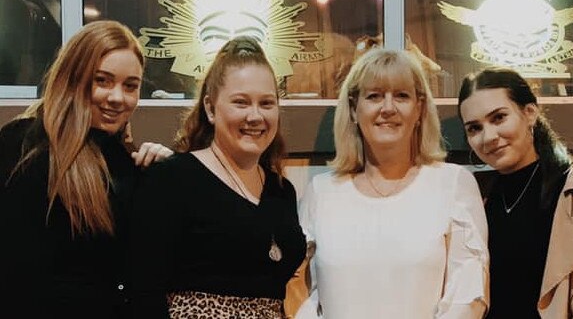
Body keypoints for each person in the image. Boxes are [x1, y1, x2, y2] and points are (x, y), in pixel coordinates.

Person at [296, 48, 489, 318]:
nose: (388, 108)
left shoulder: (453, 184)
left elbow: (468, 296)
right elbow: (307, 297)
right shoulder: (322, 191)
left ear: (419, 108)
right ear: (354, 108)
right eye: (374, 96)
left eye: (401, 96)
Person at [0, 20, 172, 319]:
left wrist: (167, 173)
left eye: (130, 86)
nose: (117, 98)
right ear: (73, 77)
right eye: (102, 80)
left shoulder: (124, 163)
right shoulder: (23, 145)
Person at [130, 36, 306, 318]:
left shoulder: (282, 190)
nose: (255, 115)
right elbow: (143, 292)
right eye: (241, 102)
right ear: (211, 108)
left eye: (266, 103)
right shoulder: (172, 178)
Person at [458, 67, 573, 318]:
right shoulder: (475, 200)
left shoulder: (570, 193)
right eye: (474, 128)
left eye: (499, 118)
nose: (488, 136)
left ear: (530, 112)